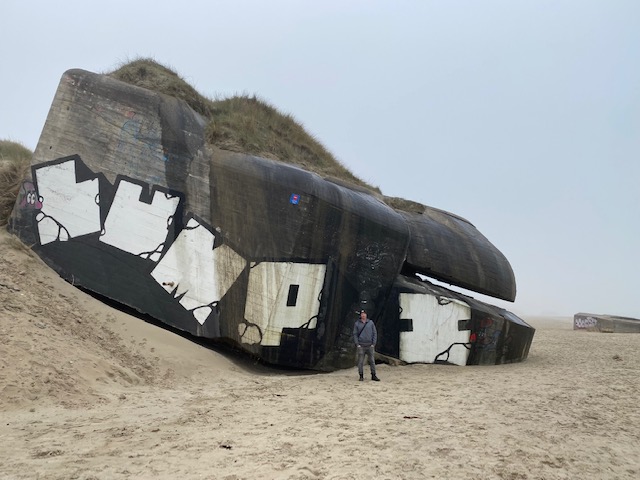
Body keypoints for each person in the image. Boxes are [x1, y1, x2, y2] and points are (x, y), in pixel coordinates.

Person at [353, 309, 380, 381]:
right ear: (360, 315)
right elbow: (355, 334)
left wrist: (373, 343)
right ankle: (361, 376)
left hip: (370, 345)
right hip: (361, 345)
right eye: (362, 314)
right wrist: (357, 344)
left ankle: (373, 375)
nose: (363, 315)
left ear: (366, 315)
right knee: (361, 362)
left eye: (364, 314)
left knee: (372, 361)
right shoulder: (357, 324)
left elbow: (374, 333)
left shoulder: (370, 323)